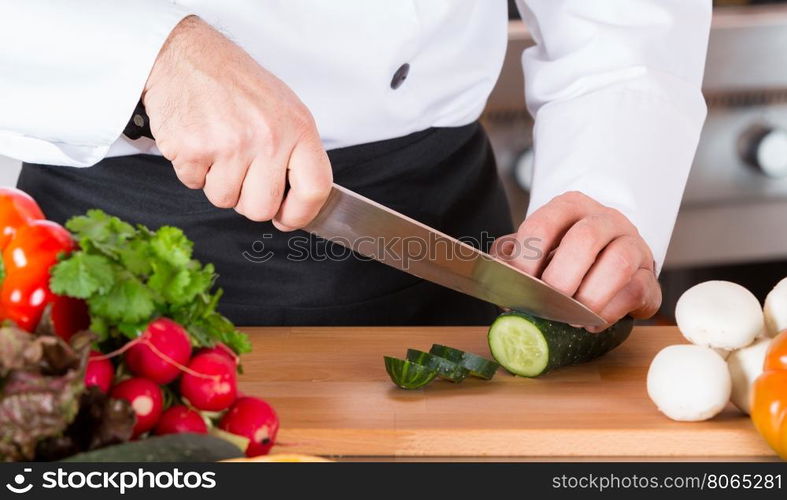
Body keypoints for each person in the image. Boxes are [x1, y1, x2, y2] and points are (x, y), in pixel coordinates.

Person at [0, 1, 711, 327]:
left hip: (443, 237)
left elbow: (625, 30)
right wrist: (150, 53)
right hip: (100, 239)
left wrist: (607, 184)